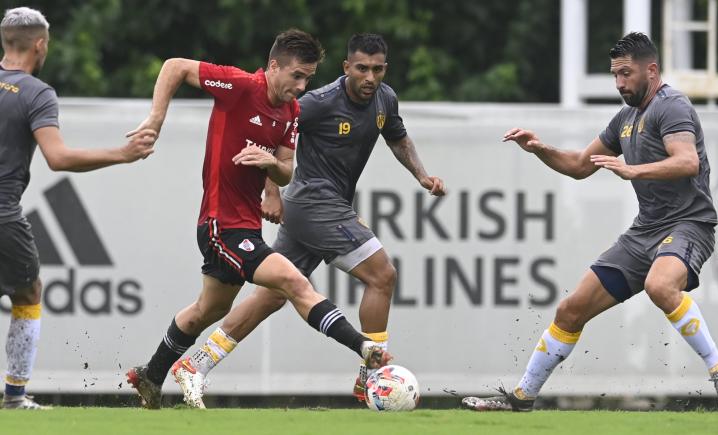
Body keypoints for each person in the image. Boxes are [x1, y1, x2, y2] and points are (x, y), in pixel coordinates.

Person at [461, 32, 718, 413]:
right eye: (615, 75)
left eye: (626, 74)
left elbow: (687, 161)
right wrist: (540, 148)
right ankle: (522, 398)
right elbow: (580, 166)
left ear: (652, 70)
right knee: (570, 310)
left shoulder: (671, 106)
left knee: (660, 286)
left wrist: (633, 170)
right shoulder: (626, 118)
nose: (619, 83)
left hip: (688, 224)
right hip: (644, 232)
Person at [170, 32, 446, 407]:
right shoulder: (317, 102)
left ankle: (197, 365)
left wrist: (422, 176)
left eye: (377, 69)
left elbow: (397, 137)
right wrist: (271, 191)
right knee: (383, 275)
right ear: (346, 67)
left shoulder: (385, 98)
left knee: (271, 297)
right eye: (361, 68)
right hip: (313, 202)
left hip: (321, 209)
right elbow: (274, 134)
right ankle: (371, 378)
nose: (369, 77)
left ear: (385, 69)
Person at [125, 29, 391, 410]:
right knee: (292, 282)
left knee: (209, 310)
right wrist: (155, 119)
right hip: (219, 224)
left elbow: (285, 170)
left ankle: (150, 375)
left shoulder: (291, 112)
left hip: (246, 225)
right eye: (296, 76)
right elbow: (175, 67)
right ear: (273, 66)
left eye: (308, 79)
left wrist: (271, 167)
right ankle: (363, 347)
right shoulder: (239, 86)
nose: (301, 87)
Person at [0, 7, 155, 410]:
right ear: (40, 44)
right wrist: (122, 153)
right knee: (29, 291)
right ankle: (15, 397)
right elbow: (58, 158)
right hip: (3, 213)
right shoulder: (36, 93)